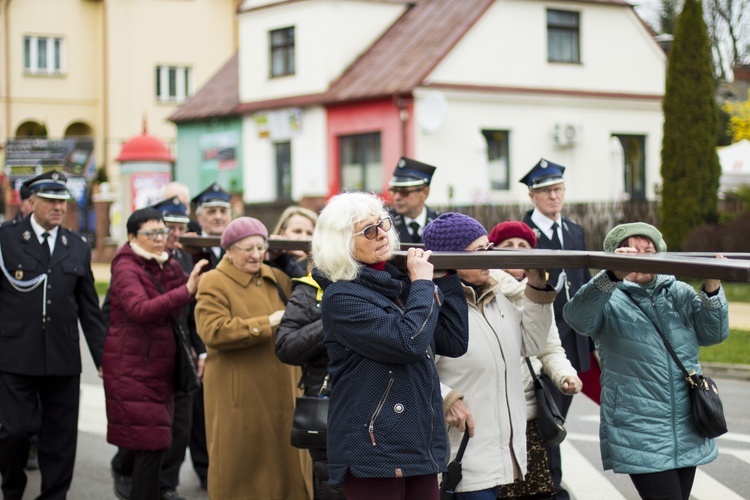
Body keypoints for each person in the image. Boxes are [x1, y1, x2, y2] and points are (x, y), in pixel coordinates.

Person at [310, 192, 469, 499]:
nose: (382, 233)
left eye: (382, 224)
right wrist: (423, 284)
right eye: (368, 231)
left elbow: (453, 340)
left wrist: (445, 278)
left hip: (417, 437)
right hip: (373, 446)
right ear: (342, 243)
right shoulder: (341, 297)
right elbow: (408, 342)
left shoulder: (398, 282)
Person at [562, 222, 728, 500]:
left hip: (689, 422)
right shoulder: (608, 299)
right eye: (629, 251)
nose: (639, 257)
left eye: (647, 250)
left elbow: (714, 334)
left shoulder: (680, 293)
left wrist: (712, 289)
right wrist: (610, 276)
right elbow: (577, 318)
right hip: (639, 428)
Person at [421, 213, 555, 499]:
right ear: (451, 258)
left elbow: (531, 343)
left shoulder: (498, 297)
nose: (489, 258)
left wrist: (537, 288)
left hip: (504, 452)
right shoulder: (432, 305)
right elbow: (413, 370)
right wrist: (446, 399)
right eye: (479, 251)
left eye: (488, 249)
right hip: (462, 454)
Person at [0, 170, 107, 500]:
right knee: (14, 432)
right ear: (31, 203)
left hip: (62, 358)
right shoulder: (6, 239)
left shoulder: (75, 247)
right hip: (15, 355)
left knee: (60, 439)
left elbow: (89, 309)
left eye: (62, 201)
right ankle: (13, 487)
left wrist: (103, 358)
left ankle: (54, 496)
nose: (58, 207)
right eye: (50, 200)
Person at [194, 217, 312, 499]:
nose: (256, 255)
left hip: (283, 388)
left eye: (261, 248)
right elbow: (213, 331)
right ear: (229, 250)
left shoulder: (277, 278)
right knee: (241, 465)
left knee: (287, 464)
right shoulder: (213, 281)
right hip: (240, 392)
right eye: (248, 249)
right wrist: (265, 323)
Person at [103, 208, 206, 500]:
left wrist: (197, 281)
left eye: (163, 232)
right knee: (149, 443)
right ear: (133, 237)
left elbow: (188, 293)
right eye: (152, 234)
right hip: (133, 368)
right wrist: (187, 289)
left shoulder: (166, 262)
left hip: (161, 367)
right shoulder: (125, 267)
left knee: (158, 442)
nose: (160, 239)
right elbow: (141, 309)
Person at [488, 221, 582, 500]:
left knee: (539, 489)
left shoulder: (538, 294)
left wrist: (565, 375)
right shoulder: (485, 287)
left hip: (530, 413)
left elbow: (550, 347)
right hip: (494, 416)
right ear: (492, 251)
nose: (516, 252)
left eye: (523, 247)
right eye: (508, 246)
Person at [520, 158, 596, 499]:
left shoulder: (574, 230)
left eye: (558, 189)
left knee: (557, 418)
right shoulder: (523, 235)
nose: (554, 196)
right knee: (545, 422)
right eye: (546, 191)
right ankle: (550, 484)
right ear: (533, 196)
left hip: (574, 340)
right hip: (543, 342)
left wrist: (592, 339)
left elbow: (584, 285)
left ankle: (548, 482)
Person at [275, 268, 345, 500]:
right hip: (327, 403)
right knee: (332, 485)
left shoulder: (383, 281)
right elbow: (286, 346)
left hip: (374, 405)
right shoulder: (309, 289)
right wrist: (331, 319)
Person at [154, 196, 206, 500]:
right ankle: (135, 471)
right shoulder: (142, 259)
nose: (175, 234)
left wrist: (200, 350)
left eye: (180, 228)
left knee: (182, 423)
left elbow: (192, 312)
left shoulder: (186, 260)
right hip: (150, 355)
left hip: (182, 352)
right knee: (151, 423)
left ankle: (168, 485)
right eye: (169, 228)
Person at [186, 182, 232, 488]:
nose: (217, 217)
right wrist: (197, 347)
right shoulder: (191, 251)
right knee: (201, 411)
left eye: (222, 211)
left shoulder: (238, 246)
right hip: (199, 339)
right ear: (199, 216)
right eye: (211, 211)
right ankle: (205, 470)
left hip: (230, 335)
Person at [387, 156, 440, 244]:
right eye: (394, 191)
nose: (397, 197)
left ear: (424, 192)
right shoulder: (386, 224)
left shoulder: (440, 224)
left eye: (404, 192)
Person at [268, 205, 317, 278]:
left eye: (310, 233)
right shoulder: (266, 259)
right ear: (282, 233)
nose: (303, 238)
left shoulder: (320, 266)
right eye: (297, 231)